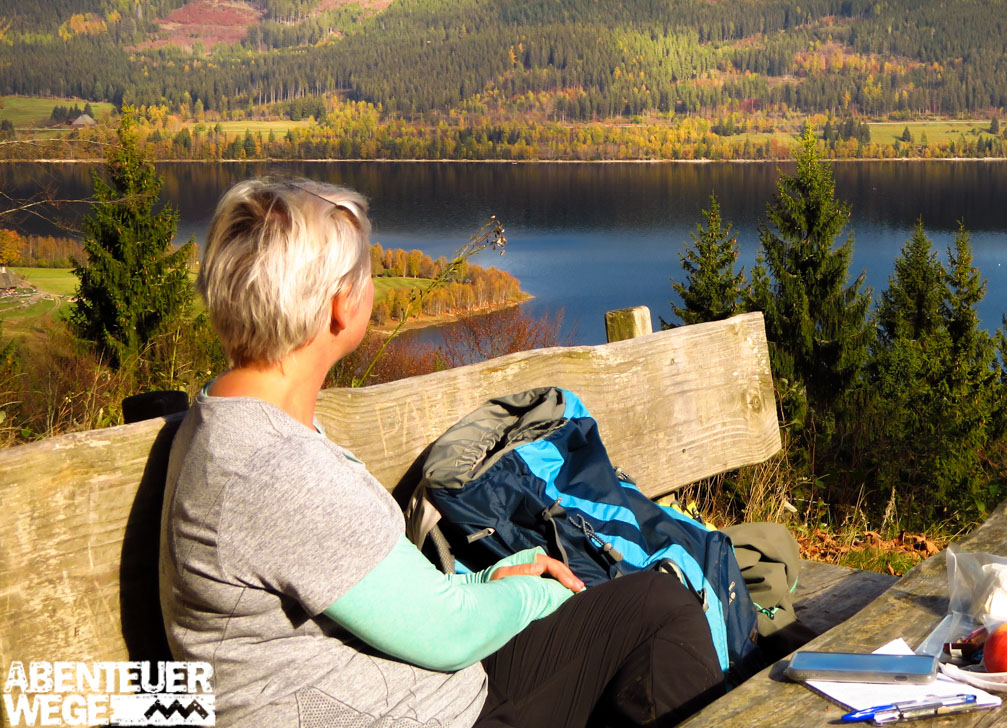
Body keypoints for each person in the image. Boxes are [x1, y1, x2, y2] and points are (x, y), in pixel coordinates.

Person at [159, 177, 723, 728]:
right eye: (365, 273)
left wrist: (487, 583)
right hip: (425, 711)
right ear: (338, 305)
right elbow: (447, 634)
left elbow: (375, 587)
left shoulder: (232, 423)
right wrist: (533, 595)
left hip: (417, 689)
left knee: (646, 604)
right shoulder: (276, 471)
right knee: (663, 612)